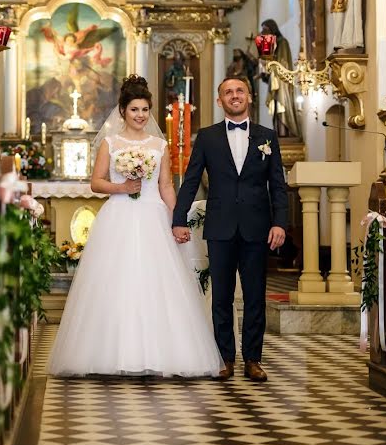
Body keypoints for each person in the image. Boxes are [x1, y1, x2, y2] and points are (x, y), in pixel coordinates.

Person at [48, 76, 223, 378]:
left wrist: (177, 218)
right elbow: (96, 182)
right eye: (134, 110)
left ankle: (161, 353)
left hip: (153, 216)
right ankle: (111, 354)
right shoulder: (111, 143)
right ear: (123, 111)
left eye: (144, 109)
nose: (140, 115)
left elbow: (166, 185)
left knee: (156, 283)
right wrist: (123, 187)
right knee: (117, 282)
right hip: (119, 218)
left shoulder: (159, 145)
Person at [172, 76, 288, 382]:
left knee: (254, 297)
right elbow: (192, 179)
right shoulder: (207, 137)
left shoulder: (267, 136)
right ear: (219, 100)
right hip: (221, 225)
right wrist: (178, 218)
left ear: (249, 96)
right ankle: (225, 358)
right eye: (228, 92)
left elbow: (277, 183)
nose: (234, 96)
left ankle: (253, 359)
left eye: (239, 91)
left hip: (257, 227)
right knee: (221, 297)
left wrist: (280, 222)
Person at [259, 19, 301, 139]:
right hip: (275, 80)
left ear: (272, 29)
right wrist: (264, 71)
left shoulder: (282, 43)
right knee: (275, 108)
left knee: (281, 106)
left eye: (265, 29)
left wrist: (270, 62)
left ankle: (285, 132)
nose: (262, 32)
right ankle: (278, 132)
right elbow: (270, 67)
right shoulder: (271, 46)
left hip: (282, 82)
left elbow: (283, 63)